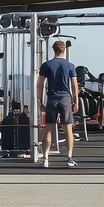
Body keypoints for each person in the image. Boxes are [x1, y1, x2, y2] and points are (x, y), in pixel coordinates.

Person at [36, 40, 79, 168]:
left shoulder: (46, 65)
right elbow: (74, 85)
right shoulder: (70, 65)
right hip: (65, 98)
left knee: (48, 128)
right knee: (68, 129)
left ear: (53, 49)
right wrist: (75, 100)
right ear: (64, 50)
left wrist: (39, 100)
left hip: (51, 98)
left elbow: (39, 84)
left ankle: (45, 158)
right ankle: (69, 157)